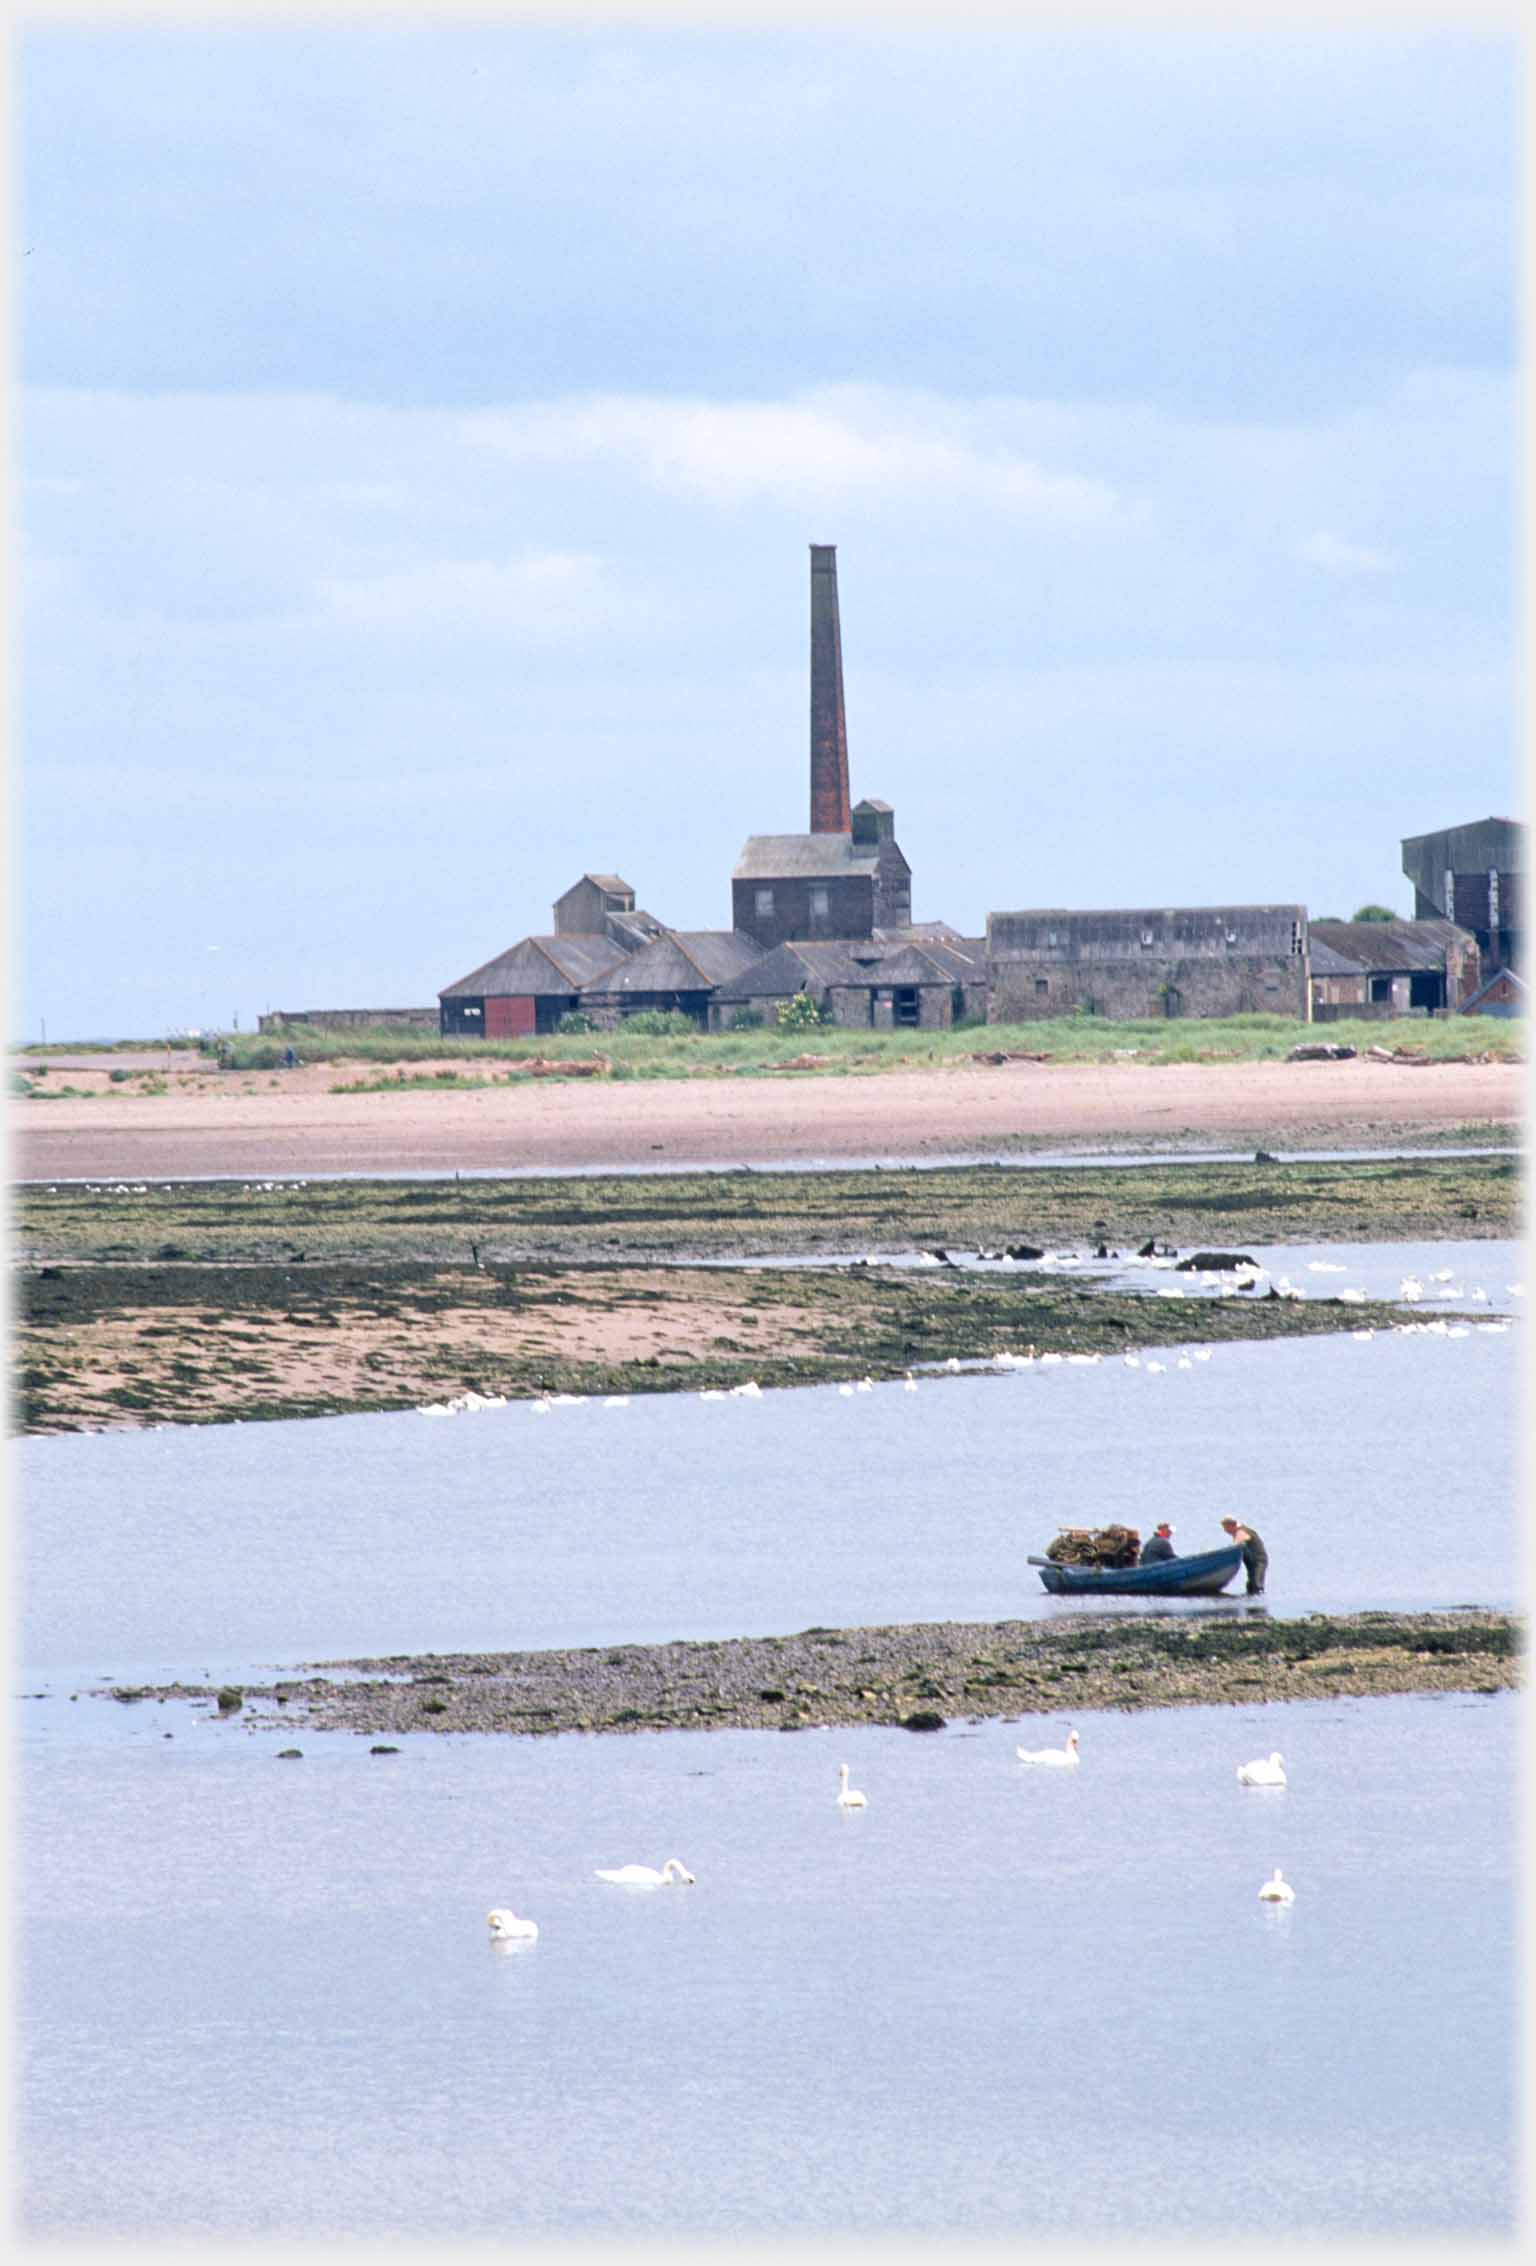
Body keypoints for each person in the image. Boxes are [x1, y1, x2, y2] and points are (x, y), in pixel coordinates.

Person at [1221, 1516, 1268, 1595]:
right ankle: (1252, 1600)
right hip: (1252, 1562)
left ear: (1231, 1525)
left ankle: (1258, 1602)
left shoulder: (1241, 1531)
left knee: (1256, 1584)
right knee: (1250, 1585)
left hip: (1258, 1561)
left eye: (1226, 1528)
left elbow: (1236, 1544)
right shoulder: (1240, 1531)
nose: (1225, 1531)